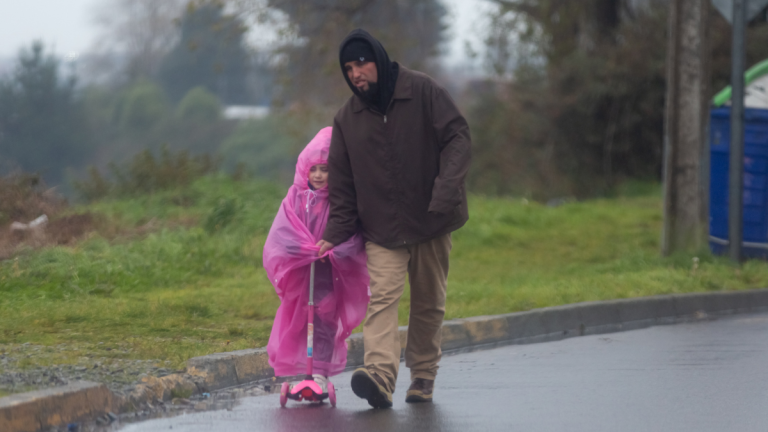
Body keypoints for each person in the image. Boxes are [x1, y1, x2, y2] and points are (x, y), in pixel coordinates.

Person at [316, 29, 472, 408]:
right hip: (381, 229)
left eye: (362, 64)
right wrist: (332, 234)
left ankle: (422, 376)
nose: (356, 74)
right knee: (382, 298)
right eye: (349, 68)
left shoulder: (422, 91)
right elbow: (342, 186)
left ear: (379, 61)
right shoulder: (346, 120)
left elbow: (458, 137)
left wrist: (446, 188)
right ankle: (380, 377)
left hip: (431, 220)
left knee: (428, 302)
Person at [264, 127, 370, 392]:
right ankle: (303, 369)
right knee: (300, 319)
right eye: (314, 169)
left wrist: (335, 251)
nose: (319, 175)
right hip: (303, 274)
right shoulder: (295, 198)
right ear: (304, 170)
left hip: (329, 274)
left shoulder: (340, 201)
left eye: (325, 169)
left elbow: (351, 234)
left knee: (324, 321)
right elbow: (283, 230)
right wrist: (300, 249)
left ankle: (320, 371)